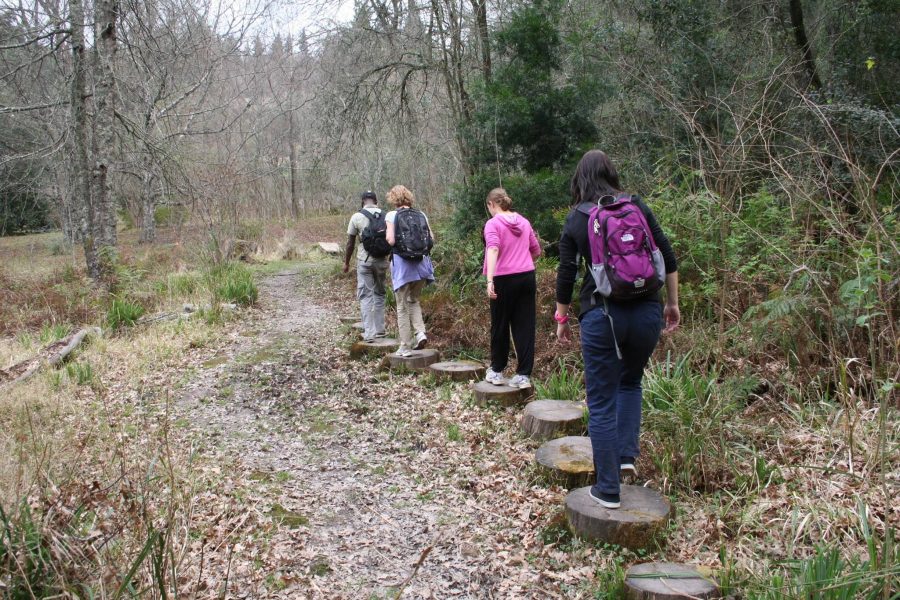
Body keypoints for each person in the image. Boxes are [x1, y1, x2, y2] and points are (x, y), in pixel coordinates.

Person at [555, 150, 680, 509]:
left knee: (602, 399)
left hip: (602, 315)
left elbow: (566, 273)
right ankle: (625, 458)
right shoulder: (635, 205)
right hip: (646, 312)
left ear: (579, 180)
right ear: (612, 174)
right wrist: (671, 304)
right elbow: (667, 257)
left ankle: (607, 488)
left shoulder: (578, 217)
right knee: (630, 382)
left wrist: (562, 318)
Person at [483, 188, 542, 389]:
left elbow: (493, 248)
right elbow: (536, 251)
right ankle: (524, 375)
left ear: (492, 204)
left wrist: (490, 280)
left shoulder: (492, 224)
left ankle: (497, 371)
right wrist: (522, 261)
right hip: (526, 276)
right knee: (524, 325)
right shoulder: (524, 222)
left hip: (503, 279)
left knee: (500, 324)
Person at [385, 185, 435, 357]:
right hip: (421, 266)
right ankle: (420, 332)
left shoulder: (392, 215)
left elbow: (391, 240)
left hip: (403, 267)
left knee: (402, 305)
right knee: (414, 300)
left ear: (393, 199)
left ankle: (405, 346)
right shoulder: (421, 215)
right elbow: (431, 239)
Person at [343, 190, 389, 342]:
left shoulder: (357, 216)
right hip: (382, 260)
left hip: (364, 260)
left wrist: (346, 262)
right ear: (376, 200)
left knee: (365, 296)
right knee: (380, 294)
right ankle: (380, 330)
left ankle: (369, 334)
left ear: (363, 201)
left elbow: (350, 243)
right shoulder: (385, 215)